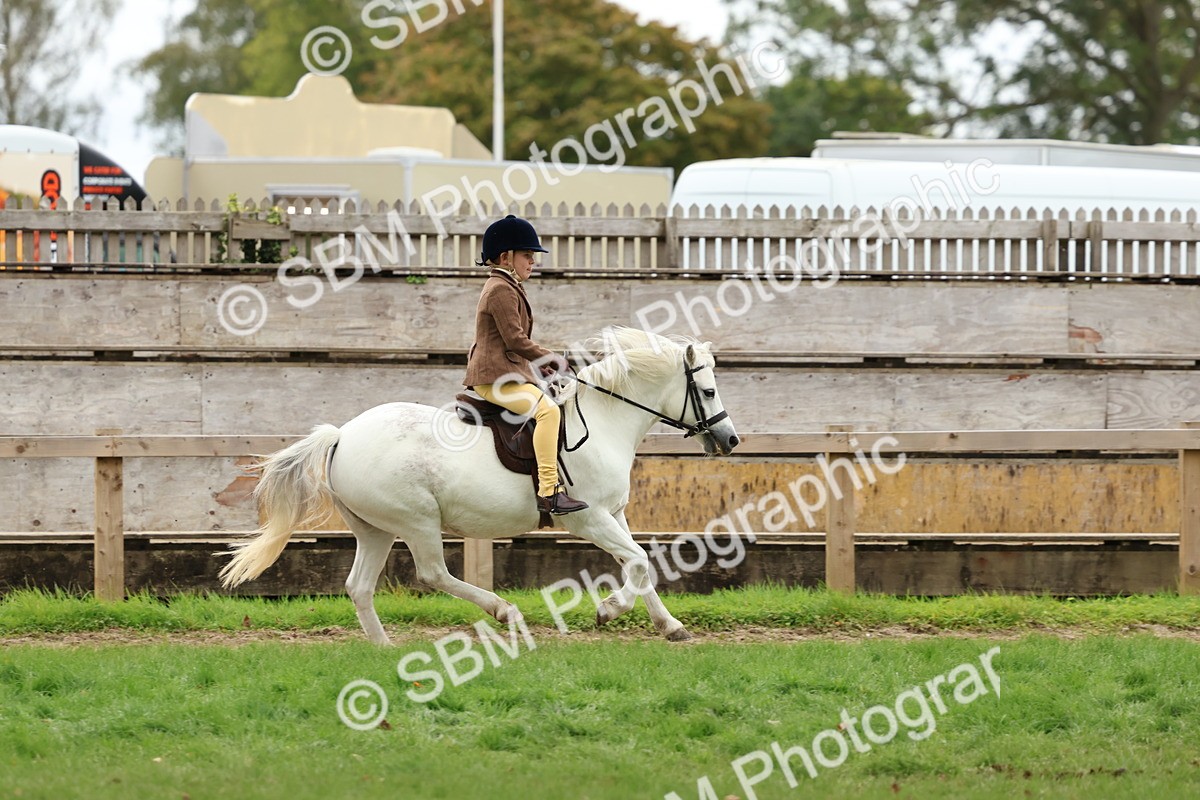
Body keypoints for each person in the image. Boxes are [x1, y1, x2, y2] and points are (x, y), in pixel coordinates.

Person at [463, 215, 589, 515]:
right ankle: (549, 492)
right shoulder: (500, 289)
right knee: (548, 411)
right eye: (527, 256)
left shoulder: (506, 285)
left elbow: (513, 343)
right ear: (506, 257)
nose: (532, 262)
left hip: (506, 373)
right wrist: (550, 357)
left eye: (532, 257)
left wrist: (539, 365)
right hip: (494, 379)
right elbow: (515, 340)